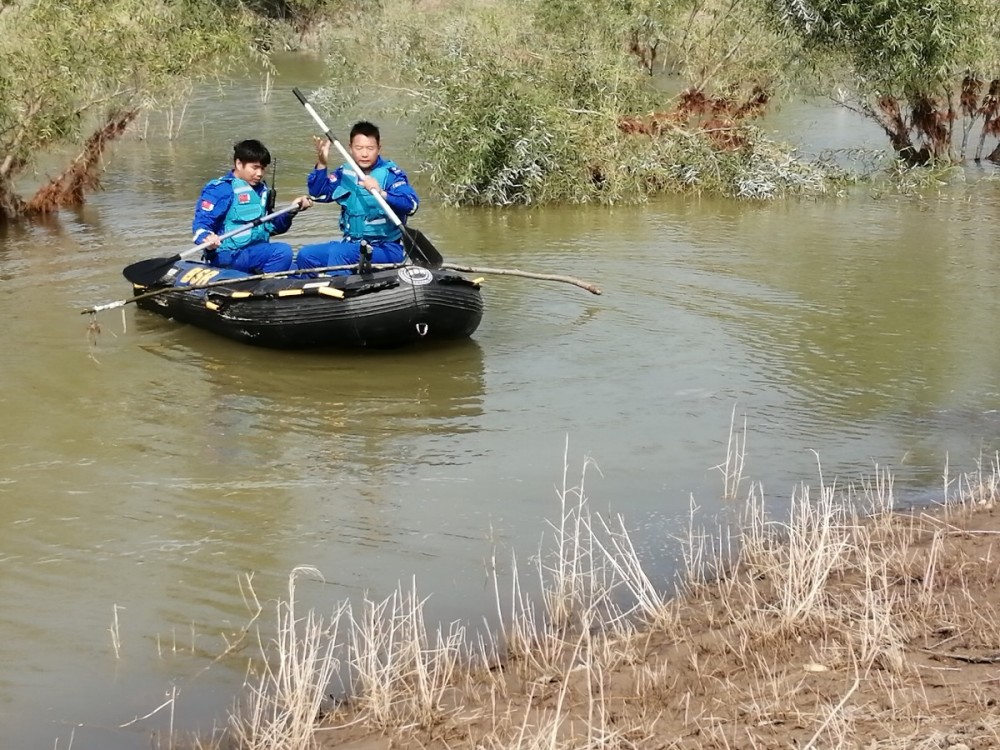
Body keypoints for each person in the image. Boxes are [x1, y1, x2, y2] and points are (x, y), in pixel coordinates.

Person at [296, 121, 419, 274]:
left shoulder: (391, 174)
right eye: (359, 148)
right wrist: (321, 164)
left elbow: (411, 205)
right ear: (350, 148)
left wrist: (382, 193)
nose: (364, 154)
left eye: (370, 148)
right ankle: (313, 294)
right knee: (306, 255)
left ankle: (340, 292)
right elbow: (319, 194)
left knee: (340, 254)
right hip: (351, 244)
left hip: (385, 248)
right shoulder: (345, 172)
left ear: (379, 148)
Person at [192, 139, 312, 274]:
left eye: (263, 168)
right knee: (282, 251)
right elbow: (200, 225)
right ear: (238, 163)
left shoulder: (261, 190)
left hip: (255, 253)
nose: (259, 173)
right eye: (255, 168)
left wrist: (291, 210)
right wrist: (207, 237)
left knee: (304, 264)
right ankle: (267, 286)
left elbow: (272, 227)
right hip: (228, 255)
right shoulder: (220, 189)